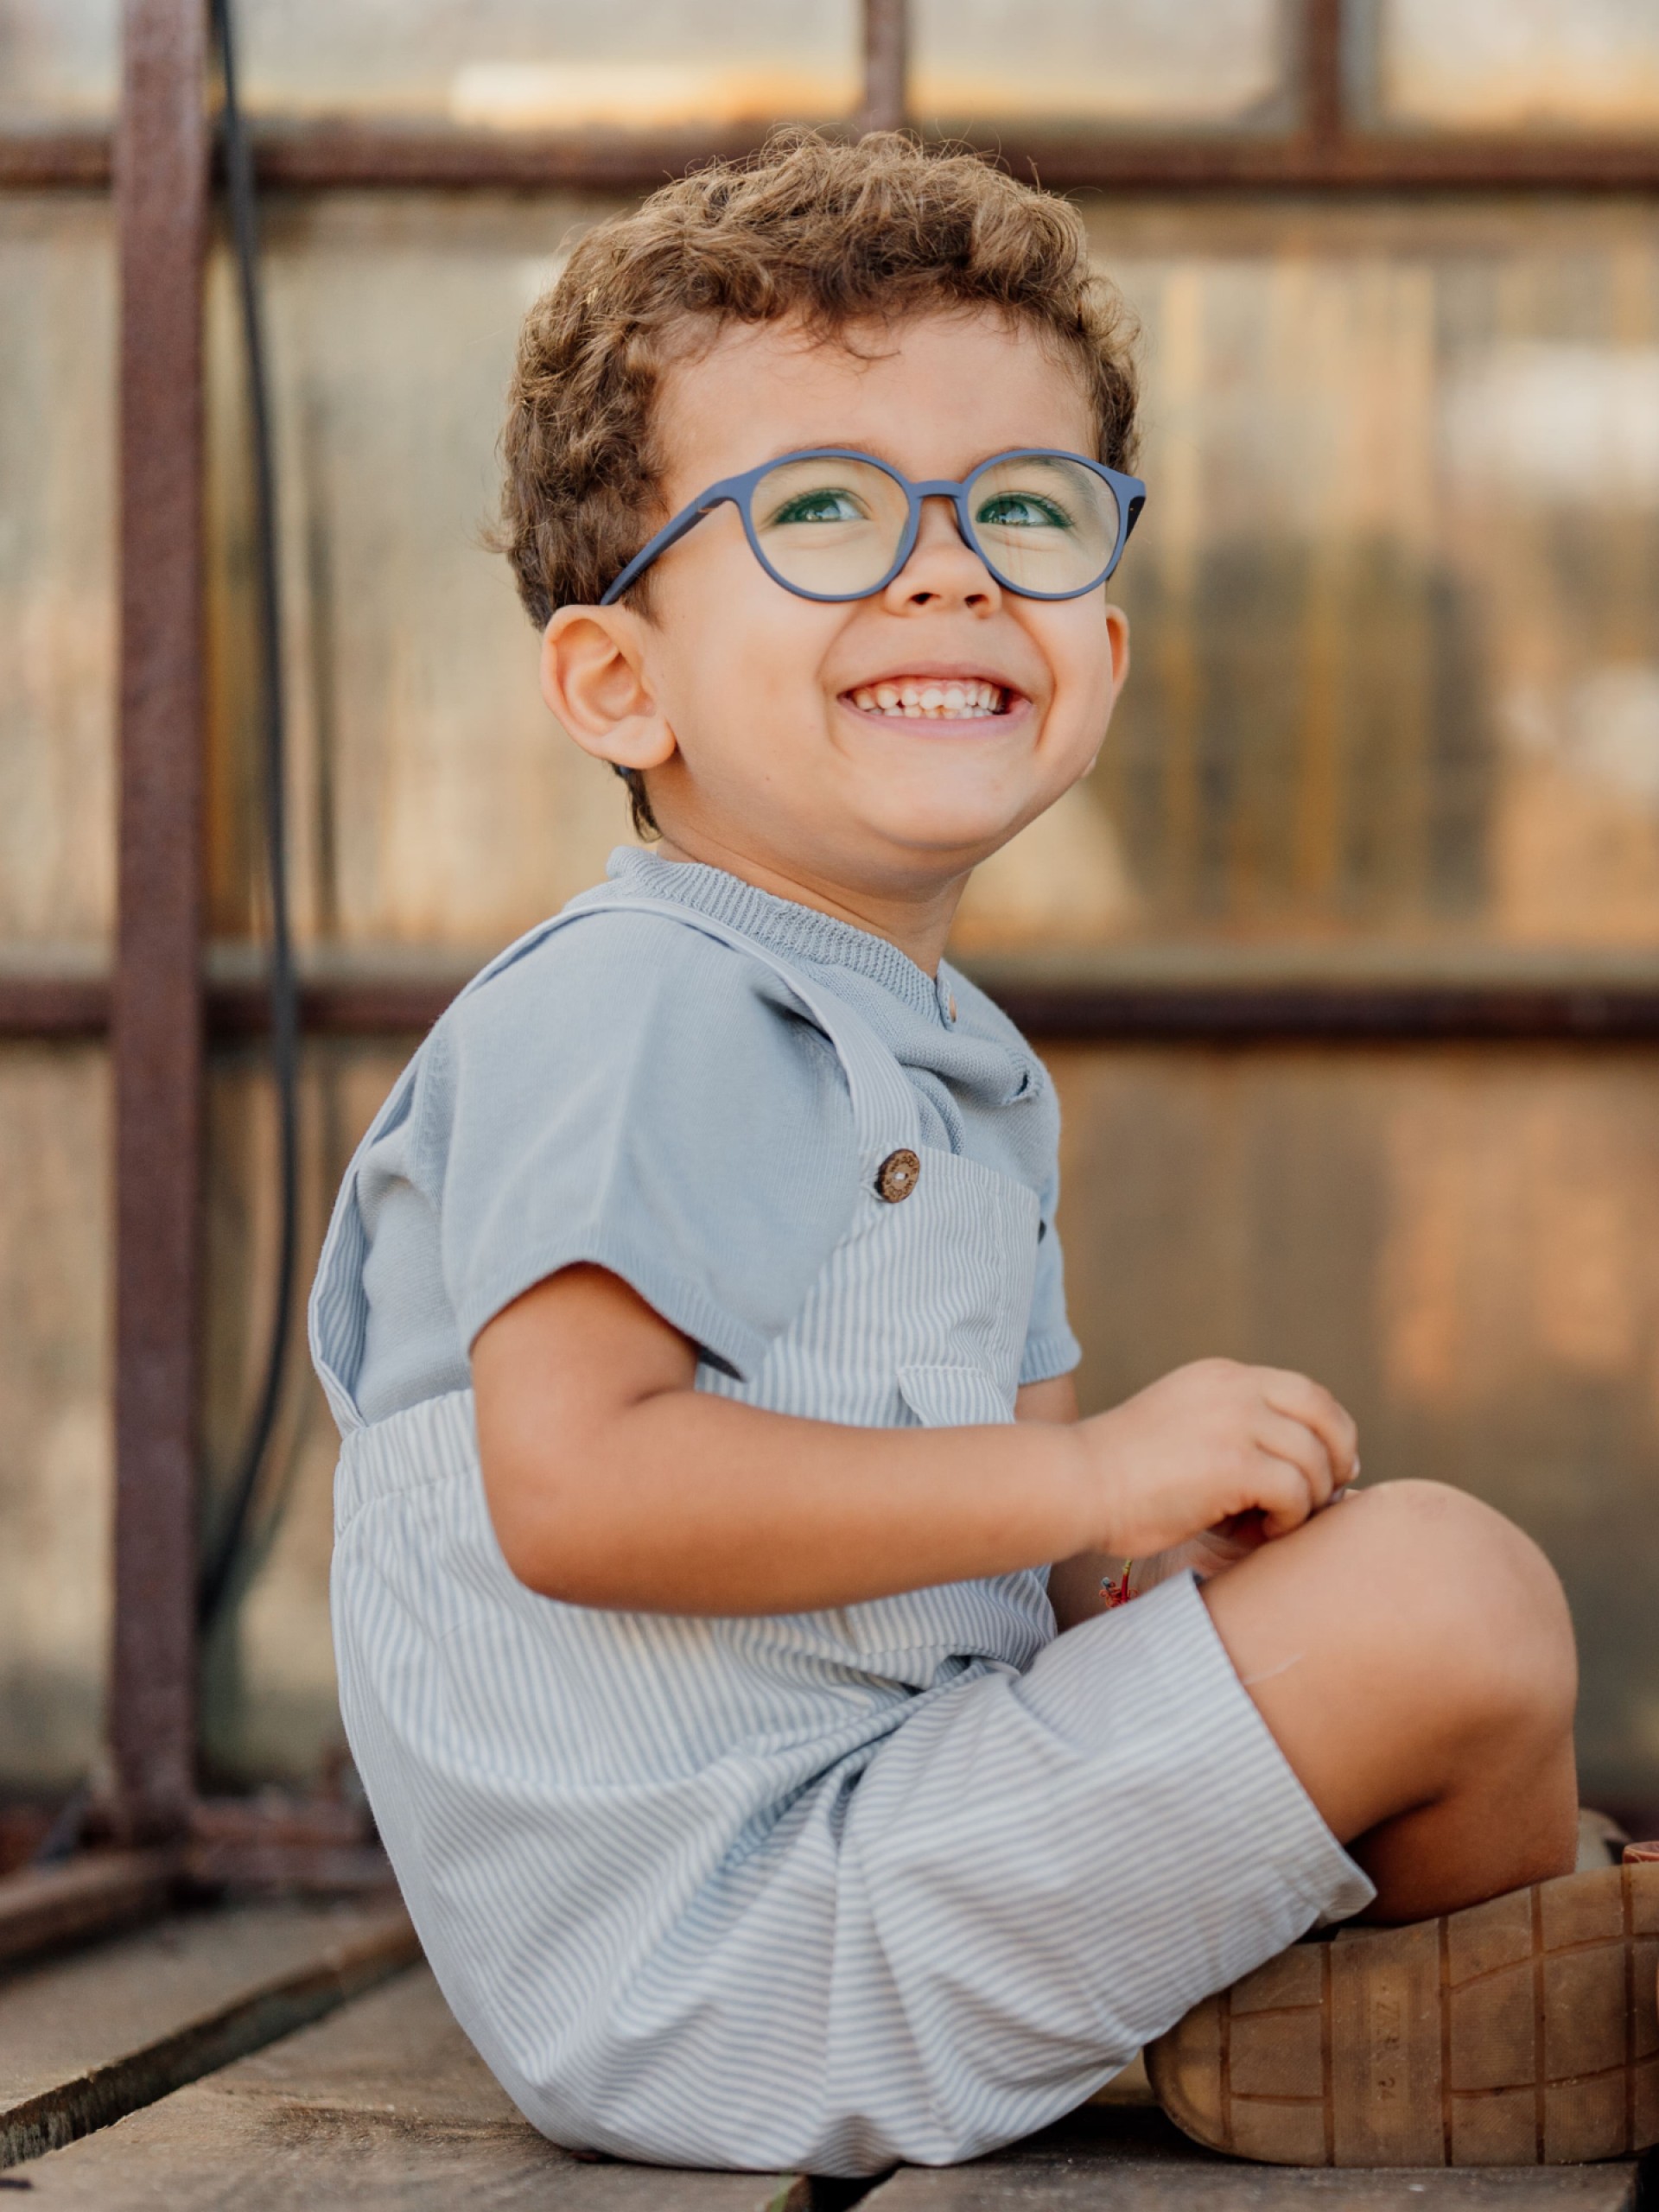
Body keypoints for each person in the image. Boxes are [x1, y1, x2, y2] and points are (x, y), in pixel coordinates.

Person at [310, 131, 1649, 2177]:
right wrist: (1094, 1467)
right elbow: (572, 1486)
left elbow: (1002, 1568)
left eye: (1025, 512)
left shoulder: (954, 1070)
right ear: (617, 678)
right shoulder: (631, 1000)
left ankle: (1434, 1995)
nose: (949, 570)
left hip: (884, 1830)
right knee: (1455, 1601)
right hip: (727, 1939)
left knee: (1395, 1609)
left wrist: (1132, 1564)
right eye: (825, 509)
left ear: (1099, 652)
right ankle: (1466, 1985)